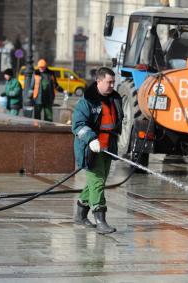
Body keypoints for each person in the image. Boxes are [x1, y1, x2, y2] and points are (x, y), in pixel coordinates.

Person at [72, 67, 124, 234]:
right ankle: (100, 220)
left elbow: (116, 123)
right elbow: (78, 125)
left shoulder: (114, 99)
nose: (111, 85)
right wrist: (91, 139)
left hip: (107, 148)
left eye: (113, 82)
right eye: (109, 82)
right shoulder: (87, 101)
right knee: (97, 183)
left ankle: (80, 217)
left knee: (95, 183)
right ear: (99, 81)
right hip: (91, 149)